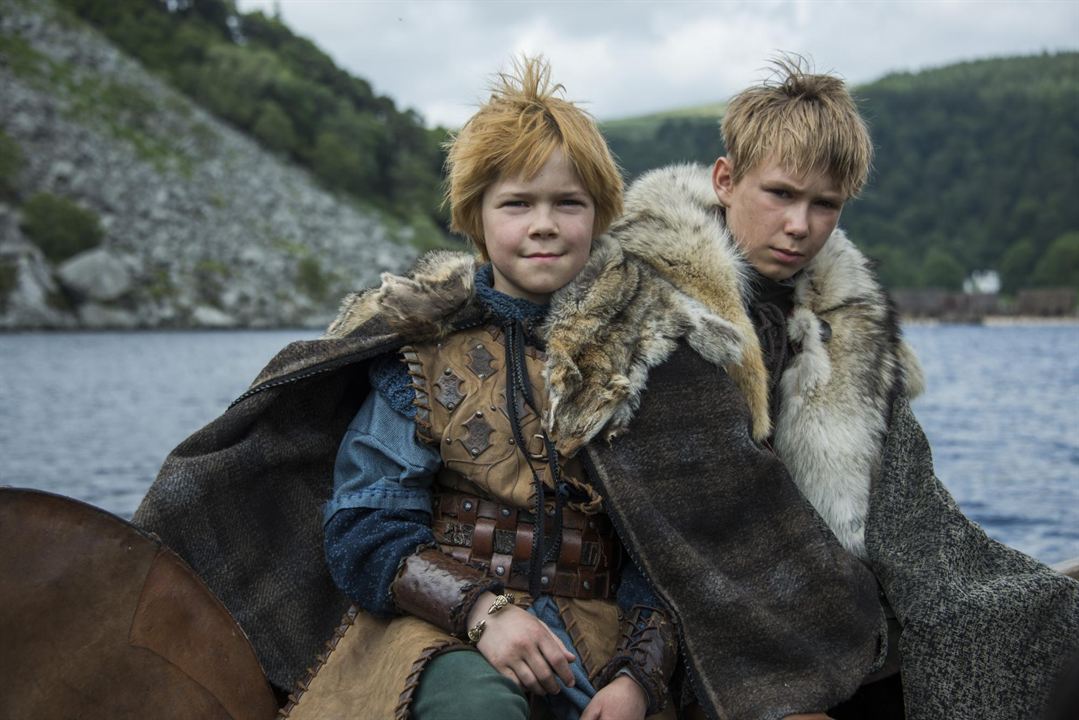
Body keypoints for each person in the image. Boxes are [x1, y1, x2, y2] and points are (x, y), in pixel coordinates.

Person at [135, 55, 892, 720]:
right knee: (478, 707)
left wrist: (638, 674)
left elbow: (679, 547)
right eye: (517, 204)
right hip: (441, 631)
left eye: (568, 204)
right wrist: (483, 613)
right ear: (476, 216)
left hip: (600, 640)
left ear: (599, 215)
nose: (544, 225)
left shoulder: (652, 354)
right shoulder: (420, 352)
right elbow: (365, 526)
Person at [599, 56, 1079, 718]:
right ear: (725, 180)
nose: (800, 225)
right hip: (706, 623)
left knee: (1046, 624)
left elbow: (909, 503)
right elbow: (677, 525)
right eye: (780, 194)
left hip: (840, 599)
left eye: (823, 204)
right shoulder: (656, 310)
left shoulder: (846, 322)